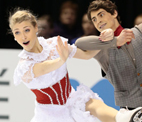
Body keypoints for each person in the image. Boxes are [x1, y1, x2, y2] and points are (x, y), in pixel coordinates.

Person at [9, 9, 142, 122]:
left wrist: (109, 41)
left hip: (71, 99)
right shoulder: (24, 66)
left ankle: (126, 118)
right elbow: (44, 68)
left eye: (26, 30)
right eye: (17, 32)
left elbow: (86, 55)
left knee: (91, 103)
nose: (23, 36)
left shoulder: (54, 44)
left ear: (36, 28)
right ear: (14, 36)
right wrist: (61, 60)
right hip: (50, 114)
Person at [75, 0, 142, 110]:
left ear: (114, 13)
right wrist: (114, 41)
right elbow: (79, 43)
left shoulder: (137, 32)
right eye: (94, 19)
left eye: (101, 15)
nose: (98, 21)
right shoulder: (102, 49)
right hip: (130, 111)